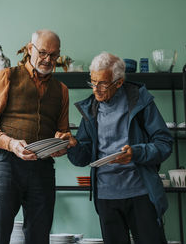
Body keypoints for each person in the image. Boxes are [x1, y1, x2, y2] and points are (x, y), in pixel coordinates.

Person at [59, 52, 173, 244]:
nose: (96, 89)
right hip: (106, 197)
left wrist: (135, 153)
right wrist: (73, 145)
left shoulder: (140, 101)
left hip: (141, 193)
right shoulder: (90, 109)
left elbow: (164, 143)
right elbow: (82, 158)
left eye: (102, 83)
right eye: (93, 82)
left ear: (118, 82)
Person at [0, 29, 70, 244]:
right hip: (6, 164)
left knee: (39, 237)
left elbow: (62, 133)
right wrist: (11, 144)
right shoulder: (7, 76)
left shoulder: (62, 90)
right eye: (43, 53)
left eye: (54, 55)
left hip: (43, 169)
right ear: (30, 49)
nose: (48, 60)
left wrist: (63, 143)